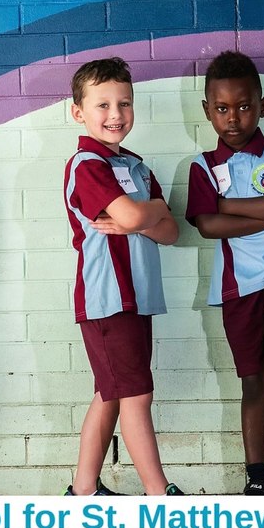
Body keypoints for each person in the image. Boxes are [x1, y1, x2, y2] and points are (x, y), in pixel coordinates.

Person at [186, 50, 264, 495]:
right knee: (253, 382)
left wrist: (226, 205)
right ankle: (258, 479)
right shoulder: (202, 166)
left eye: (243, 106)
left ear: (262, 106)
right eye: (222, 108)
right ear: (207, 111)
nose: (233, 118)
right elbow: (207, 226)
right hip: (236, 283)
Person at [62, 57, 184, 497]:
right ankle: (159, 495)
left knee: (112, 394)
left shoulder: (136, 167)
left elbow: (170, 232)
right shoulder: (87, 165)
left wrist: (145, 216)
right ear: (78, 112)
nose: (116, 114)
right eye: (103, 105)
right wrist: (149, 213)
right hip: (108, 298)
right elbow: (137, 216)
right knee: (136, 395)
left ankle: (82, 491)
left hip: (137, 296)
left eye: (125, 103)